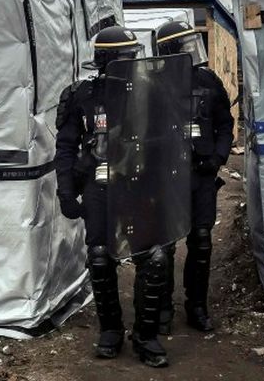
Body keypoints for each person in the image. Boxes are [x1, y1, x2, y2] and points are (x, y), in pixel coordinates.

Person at [54, 26, 172, 368]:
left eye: (133, 57)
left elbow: (169, 140)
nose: (131, 64)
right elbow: (65, 147)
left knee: (154, 258)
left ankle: (146, 336)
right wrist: (65, 190)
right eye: (124, 59)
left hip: (139, 186)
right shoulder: (82, 96)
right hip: (99, 187)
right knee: (101, 257)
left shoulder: (151, 93)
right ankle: (110, 331)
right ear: (106, 61)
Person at [155, 20, 233, 334]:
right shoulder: (152, 84)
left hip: (202, 175)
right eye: (185, 46)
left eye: (193, 44)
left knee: (201, 242)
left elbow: (225, 123)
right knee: (165, 246)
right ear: (170, 51)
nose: (192, 51)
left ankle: (196, 306)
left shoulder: (208, 81)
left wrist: (217, 157)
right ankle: (161, 307)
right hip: (166, 178)